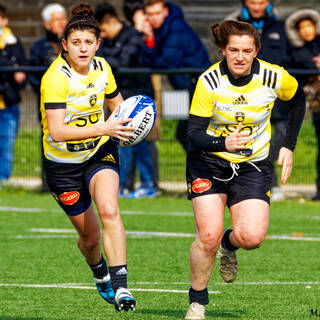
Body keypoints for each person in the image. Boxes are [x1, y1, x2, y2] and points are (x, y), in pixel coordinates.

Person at [185, 20, 305, 319]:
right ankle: (197, 302)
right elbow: (194, 134)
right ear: (223, 50)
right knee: (207, 235)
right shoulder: (209, 81)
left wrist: (288, 145)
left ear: (257, 51)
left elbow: (298, 100)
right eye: (234, 50)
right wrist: (224, 141)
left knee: (251, 237)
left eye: (247, 51)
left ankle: (230, 244)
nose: (240, 57)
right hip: (208, 162)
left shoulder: (273, 76)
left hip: (253, 164)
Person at [40, 3, 136, 312]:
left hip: (98, 153)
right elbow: (57, 131)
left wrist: (128, 123)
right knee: (91, 239)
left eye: (89, 42)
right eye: (76, 43)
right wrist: (104, 126)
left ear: (98, 43)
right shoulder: (56, 77)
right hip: (62, 166)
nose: (83, 48)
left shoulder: (103, 67)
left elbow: (117, 106)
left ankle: (121, 287)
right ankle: (100, 274)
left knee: (109, 209)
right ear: (65, 45)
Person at [226, 0, 291, 201]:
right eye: (253, 1)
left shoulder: (281, 26)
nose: (256, 5)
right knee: (246, 138)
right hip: (243, 95)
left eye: (261, 1)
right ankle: (237, 179)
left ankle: (270, 182)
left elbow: (291, 56)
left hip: (275, 98)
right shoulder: (233, 24)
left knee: (276, 138)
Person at [95, 2, 156, 199]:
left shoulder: (132, 36)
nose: (102, 36)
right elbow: (104, 59)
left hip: (139, 98)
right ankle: (124, 185)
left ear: (112, 23)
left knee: (137, 142)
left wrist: (108, 58)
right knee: (122, 141)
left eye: (103, 30)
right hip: (121, 98)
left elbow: (121, 62)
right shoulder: (110, 41)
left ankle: (146, 184)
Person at [141, 0, 211, 152]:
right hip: (189, 86)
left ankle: (206, 168)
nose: (154, 18)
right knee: (187, 134)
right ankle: (203, 168)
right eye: (150, 14)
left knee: (188, 134)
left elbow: (165, 62)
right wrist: (149, 38)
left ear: (165, 11)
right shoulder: (163, 30)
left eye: (157, 13)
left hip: (198, 86)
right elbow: (152, 62)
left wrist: (150, 39)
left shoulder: (175, 28)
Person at [122, 0, 162, 197]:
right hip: (129, 94)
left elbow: (152, 59)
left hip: (143, 94)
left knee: (142, 142)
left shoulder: (147, 34)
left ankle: (148, 183)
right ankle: (126, 184)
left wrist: (147, 37)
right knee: (127, 142)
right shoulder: (130, 34)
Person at [29, 3, 67, 192]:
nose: (62, 23)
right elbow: (33, 75)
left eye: (64, 18)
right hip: (48, 104)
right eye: (57, 19)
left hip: (74, 102)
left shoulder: (73, 43)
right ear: (46, 24)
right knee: (48, 138)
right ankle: (48, 182)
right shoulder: (39, 47)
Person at [285, 8, 320, 200]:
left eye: (309, 25)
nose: (306, 30)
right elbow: (302, 67)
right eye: (302, 27)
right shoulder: (297, 52)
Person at [0, 3, 27, 186]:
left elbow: (22, 73)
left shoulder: (14, 42)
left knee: (7, 145)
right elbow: (12, 68)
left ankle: (4, 180)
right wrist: (10, 66)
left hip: (8, 103)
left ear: (5, 20)